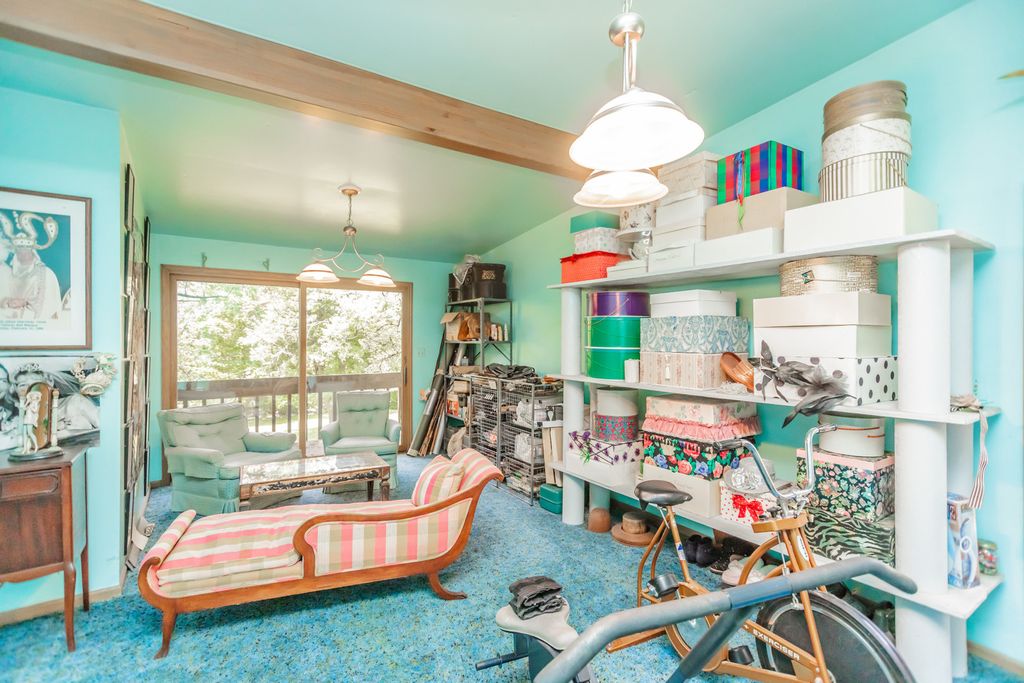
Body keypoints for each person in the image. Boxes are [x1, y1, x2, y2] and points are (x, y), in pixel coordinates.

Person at [0, 211, 62, 320]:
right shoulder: (7, 273)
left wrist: (23, 304)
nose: (23, 254)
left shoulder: (45, 273)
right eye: (20, 251)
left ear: (32, 252)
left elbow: (47, 305)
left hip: (32, 322)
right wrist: (7, 302)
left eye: (26, 251)